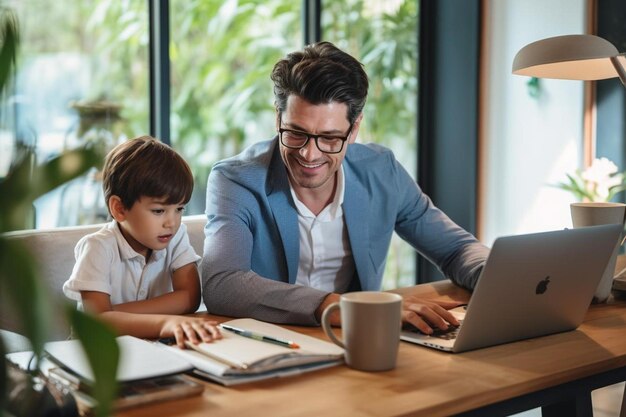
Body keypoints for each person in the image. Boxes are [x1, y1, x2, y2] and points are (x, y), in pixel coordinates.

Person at [201, 42, 489, 334]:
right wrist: (344, 308)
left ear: (354, 129)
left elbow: (456, 249)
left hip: (358, 344)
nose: (309, 155)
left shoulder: (381, 172)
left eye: (330, 138)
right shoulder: (236, 180)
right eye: (296, 133)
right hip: (270, 344)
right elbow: (222, 283)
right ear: (278, 119)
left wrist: (504, 280)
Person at [64, 136, 220, 348]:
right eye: (158, 211)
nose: (172, 222)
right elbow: (98, 323)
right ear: (119, 209)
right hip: (97, 353)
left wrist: (115, 313)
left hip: (151, 346)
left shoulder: (175, 237)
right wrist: (165, 321)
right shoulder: (97, 247)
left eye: (179, 209)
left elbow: (191, 297)